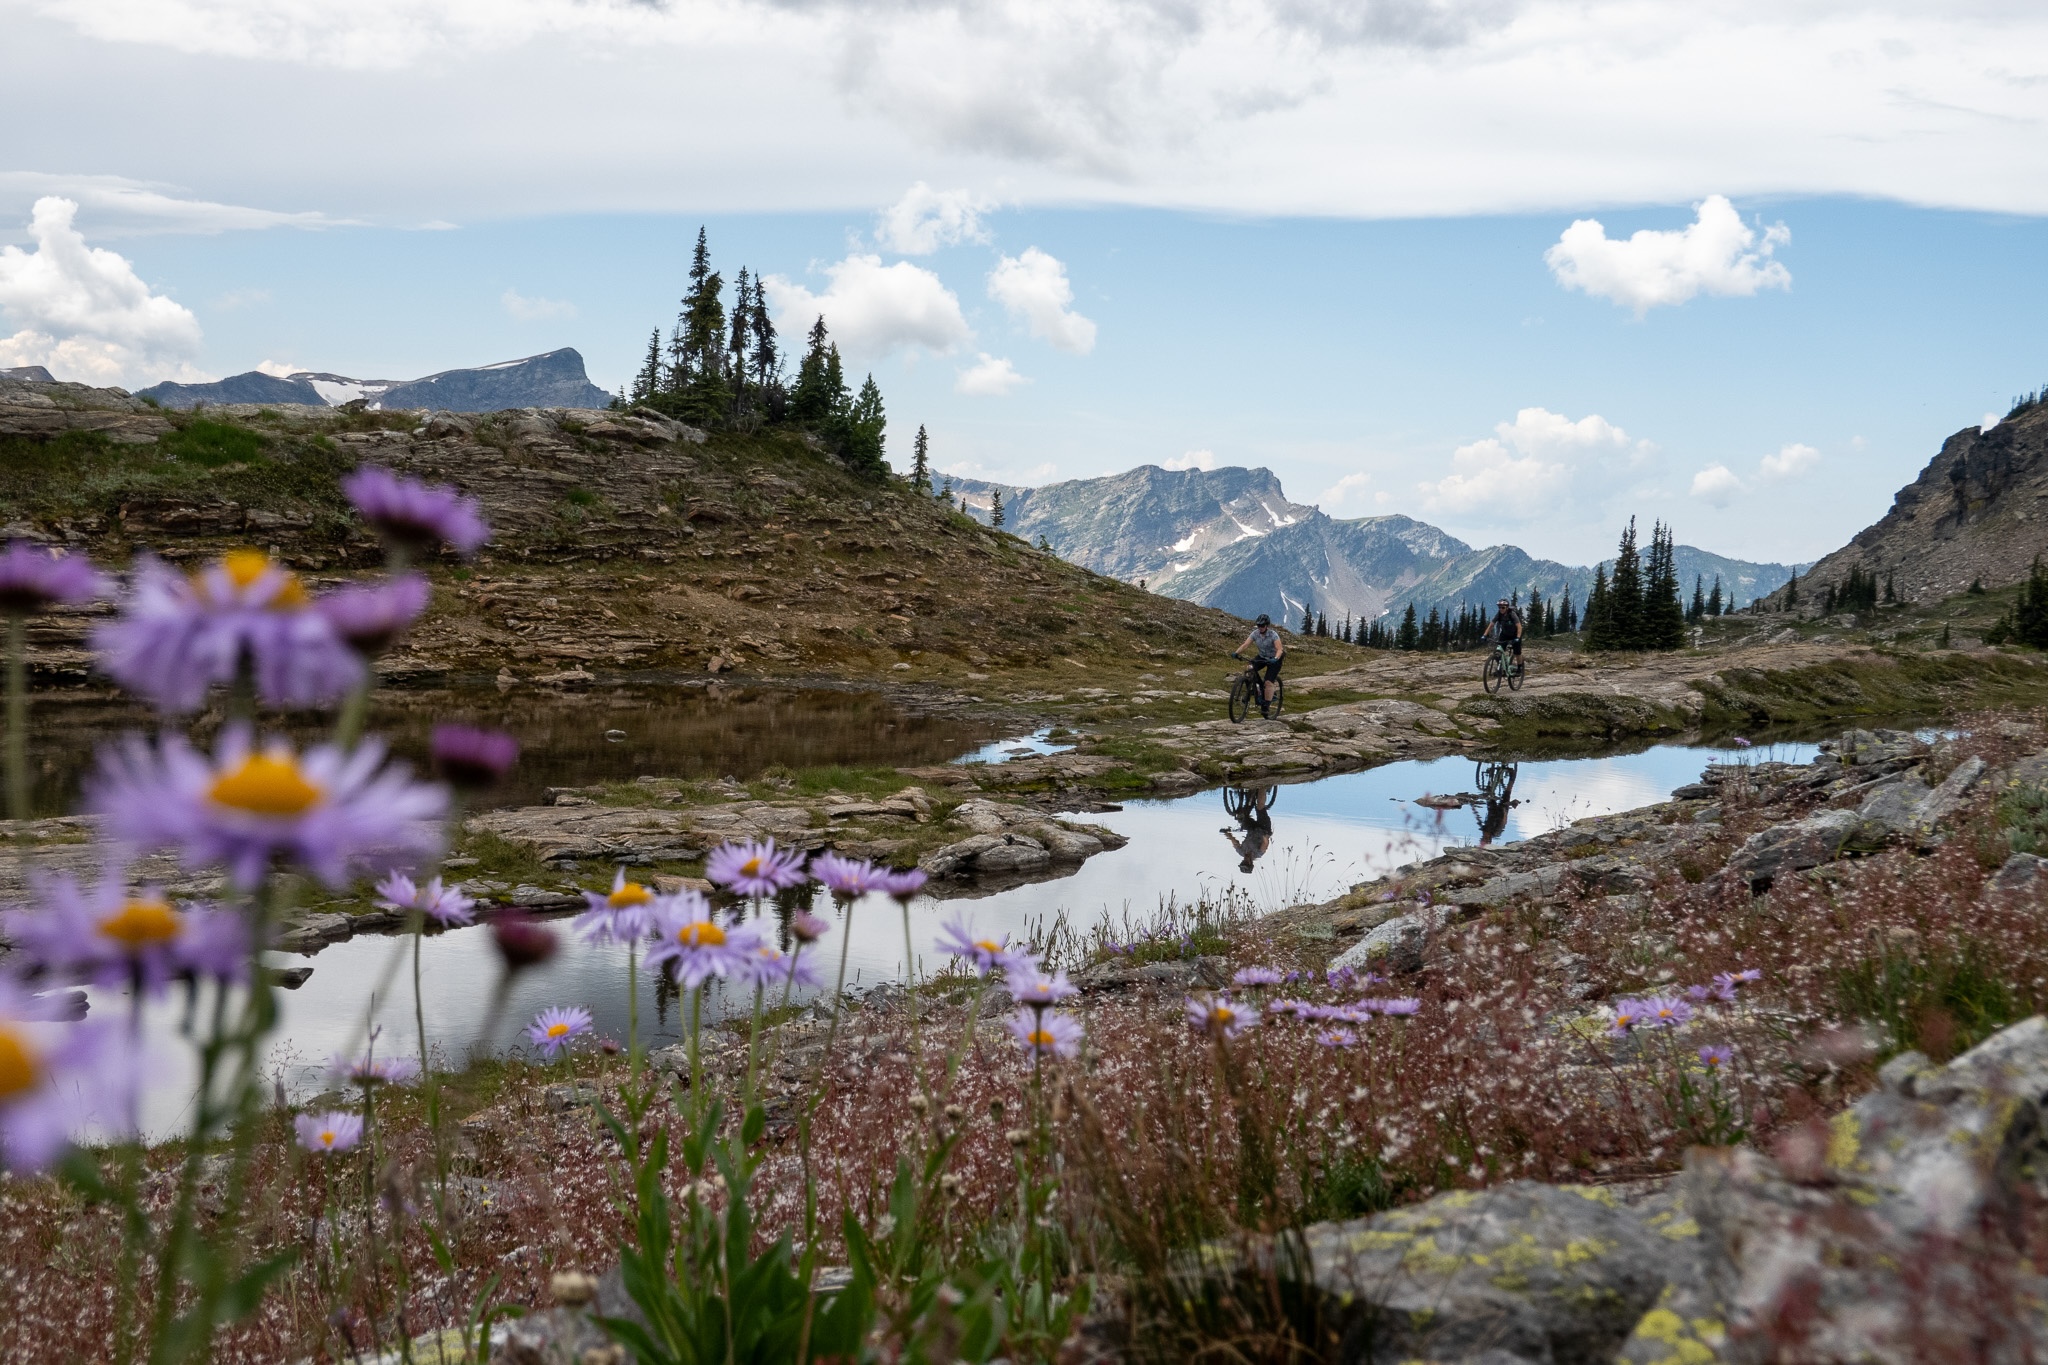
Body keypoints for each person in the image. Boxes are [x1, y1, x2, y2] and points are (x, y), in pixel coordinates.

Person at [1231, 613, 1285, 716]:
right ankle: (1252, 689)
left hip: (1275, 658)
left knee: (1268, 682)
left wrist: (1275, 658)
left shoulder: (1273, 635)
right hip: (1262, 656)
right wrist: (1236, 653)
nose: (1260, 627)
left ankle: (1266, 706)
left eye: (1262, 626)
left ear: (1267, 626)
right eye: (1258, 625)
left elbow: (1279, 649)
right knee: (1249, 668)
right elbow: (1246, 644)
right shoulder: (1255, 634)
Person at [1220, 785, 1275, 872]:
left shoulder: (1241, 852)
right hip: (1264, 828)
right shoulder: (1258, 853)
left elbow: (1235, 843)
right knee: (1260, 807)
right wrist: (1265, 837)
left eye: (1243, 862)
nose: (1244, 860)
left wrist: (1227, 834)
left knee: (1241, 817)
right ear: (1250, 863)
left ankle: (1249, 797)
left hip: (1252, 829)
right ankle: (1263, 785)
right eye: (1246, 863)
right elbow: (1265, 844)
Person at [1482, 597, 1524, 668]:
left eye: (1503, 607)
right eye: (1499, 607)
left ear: (1507, 608)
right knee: (1499, 651)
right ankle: (1500, 669)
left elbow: (1519, 626)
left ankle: (1520, 668)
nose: (1501, 609)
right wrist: (1485, 635)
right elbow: (1491, 624)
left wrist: (1518, 637)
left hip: (1515, 634)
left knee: (1517, 652)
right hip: (1504, 634)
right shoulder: (1499, 614)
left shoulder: (1512, 614)